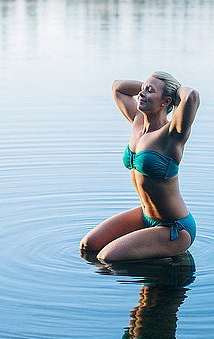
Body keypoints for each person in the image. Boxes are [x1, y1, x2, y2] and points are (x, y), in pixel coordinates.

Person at [80, 71, 200, 261]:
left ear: (166, 101)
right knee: (89, 246)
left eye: (149, 91)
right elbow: (117, 87)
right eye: (142, 89)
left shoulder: (172, 135)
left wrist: (174, 92)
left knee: (106, 258)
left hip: (174, 227)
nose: (141, 94)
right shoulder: (137, 121)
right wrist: (149, 88)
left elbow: (191, 96)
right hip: (146, 217)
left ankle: (171, 269)